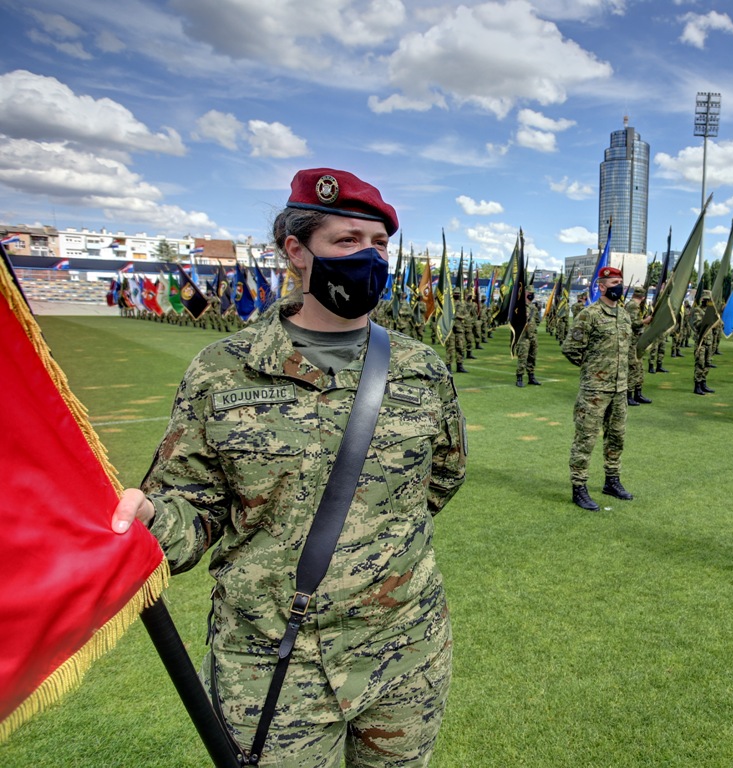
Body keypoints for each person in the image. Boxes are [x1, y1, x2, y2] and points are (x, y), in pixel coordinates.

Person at [110, 168, 467, 766]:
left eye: (379, 244)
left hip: (406, 650)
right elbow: (194, 510)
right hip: (273, 663)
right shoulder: (223, 370)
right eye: (348, 241)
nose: (369, 257)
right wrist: (152, 519)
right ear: (296, 252)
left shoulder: (421, 368)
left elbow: (443, 477)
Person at [563, 266, 633, 510]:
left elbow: (627, 350)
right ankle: (579, 487)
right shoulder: (589, 314)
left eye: (620, 282)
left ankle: (612, 481)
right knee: (586, 439)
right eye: (614, 282)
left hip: (619, 389)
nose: (619, 287)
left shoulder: (624, 315)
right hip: (594, 390)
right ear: (601, 286)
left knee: (617, 437)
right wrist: (592, 370)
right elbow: (570, 348)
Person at [625, 285, 652, 405]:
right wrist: (646, 321)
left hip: (636, 341)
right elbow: (633, 323)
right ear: (643, 297)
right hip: (632, 342)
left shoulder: (634, 305)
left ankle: (638, 393)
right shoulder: (633, 306)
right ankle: (629, 395)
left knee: (639, 367)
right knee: (633, 368)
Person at [514, 290, 541, 387]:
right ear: (525, 293)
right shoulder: (519, 307)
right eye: (529, 293)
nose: (531, 295)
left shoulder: (534, 307)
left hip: (533, 335)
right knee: (523, 357)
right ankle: (519, 377)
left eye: (532, 293)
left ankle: (531, 377)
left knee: (532, 357)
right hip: (523, 336)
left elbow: (538, 320)